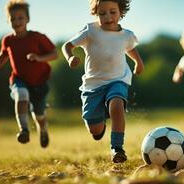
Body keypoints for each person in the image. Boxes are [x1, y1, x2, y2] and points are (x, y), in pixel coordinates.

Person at [61, 0, 144, 163]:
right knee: (95, 129)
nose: (108, 17)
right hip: (93, 85)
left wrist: (139, 63)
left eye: (113, 12)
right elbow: (67, 46)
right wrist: (70, 57)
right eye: (102, 13)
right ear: (96, 14)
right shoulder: (91, 31)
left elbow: (130, 48)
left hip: (117, 80)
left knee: (117, 104)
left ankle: (117, 148)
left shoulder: (126, 35)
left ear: (121, 11)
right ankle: (101, 119)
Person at [0, 0, 58, 148]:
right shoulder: (8, 40)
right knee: (21, 95)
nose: (17, 21)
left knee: (39, 115)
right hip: (19, 79)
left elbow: (54, 54)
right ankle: (23, 129)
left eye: (20, 18)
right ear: (8, 20)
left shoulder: (37, 37)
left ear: (27, 19)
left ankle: (43, 129)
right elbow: (3, 55)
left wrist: (39, 58)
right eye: (13, 18)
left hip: (39, 82)